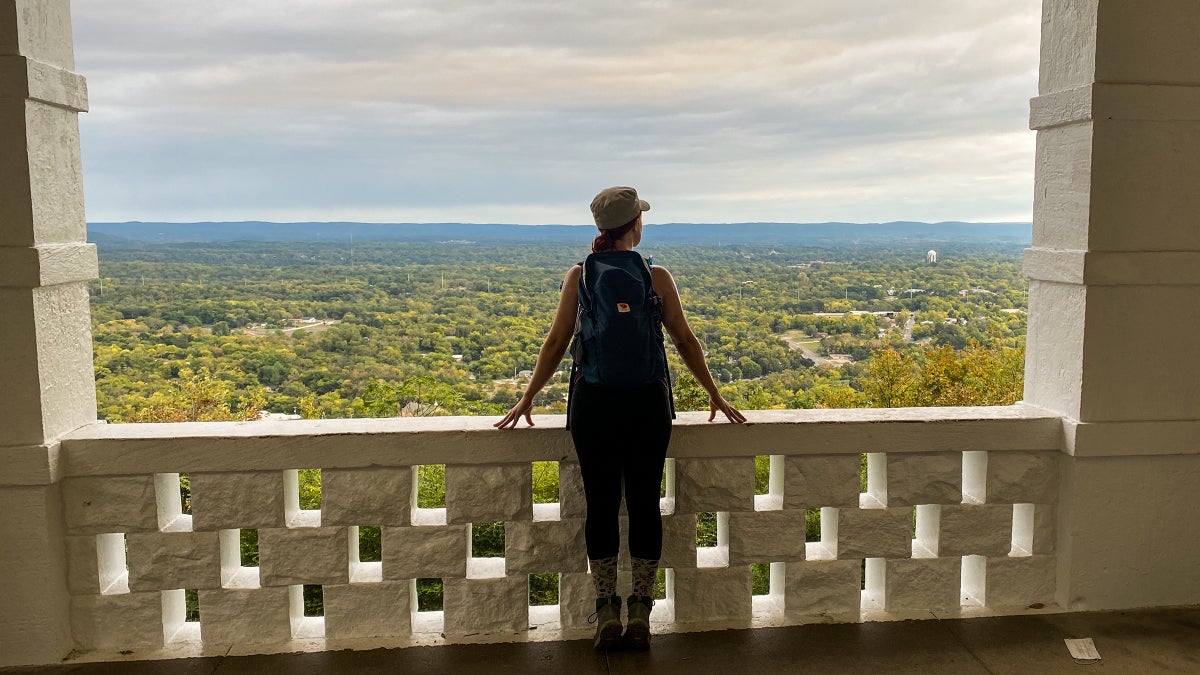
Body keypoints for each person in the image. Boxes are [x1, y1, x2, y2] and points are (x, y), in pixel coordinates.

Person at [495, 186, 745, 650]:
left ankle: (605, 608)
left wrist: (527, 398)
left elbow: (555, 343)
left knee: (602, 504)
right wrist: (714, 394)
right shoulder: (656, 275)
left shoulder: (580, 275)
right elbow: (685, 341)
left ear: (599, 229)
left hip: (594, 404)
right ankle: (641, 613)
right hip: (648, 404)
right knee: (646, 504)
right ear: (635, 226)